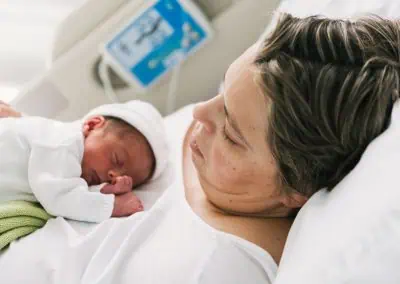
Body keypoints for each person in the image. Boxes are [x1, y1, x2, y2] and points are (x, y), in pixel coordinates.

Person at [0, 13, 398, 283]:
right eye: (224, 91)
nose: (203, 114)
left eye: (232, 134)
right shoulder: (218, 153)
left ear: (295, 189)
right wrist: (27, 138)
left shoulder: (211, 268)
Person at [0, 100, 168, 222]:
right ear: (92, 125)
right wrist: (111, 205)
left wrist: (103, 189)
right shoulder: (64, 142)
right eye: (116, 159)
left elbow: (70, 185)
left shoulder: (73, 160)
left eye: (124, 178)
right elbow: (59, 196)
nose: (113, 175)